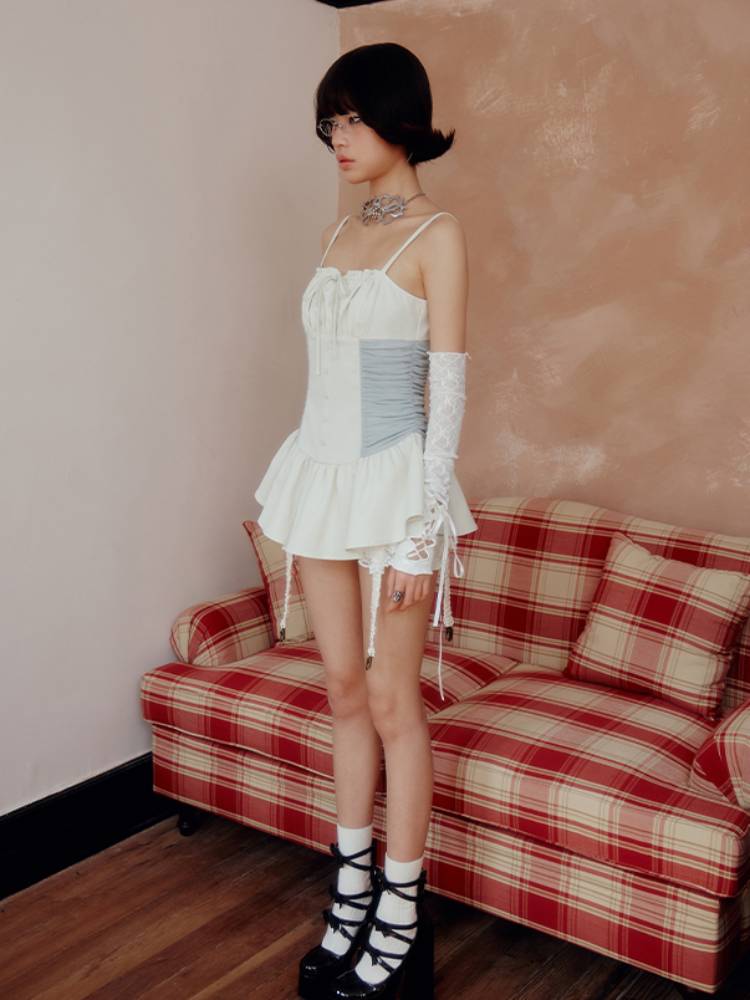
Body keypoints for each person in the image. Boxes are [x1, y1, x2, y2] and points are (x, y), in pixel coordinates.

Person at [253, 41, 477, 999]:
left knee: (393, 704)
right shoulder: (335, 233)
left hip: (395, 492)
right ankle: (350, 895)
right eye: (329, 123)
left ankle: (401, 912)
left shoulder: (440, 235)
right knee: (343, 690)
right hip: (323, 478)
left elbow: (447, 395)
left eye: (352, 119)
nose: (338, 139)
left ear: (400, 119)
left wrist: (422, 534)